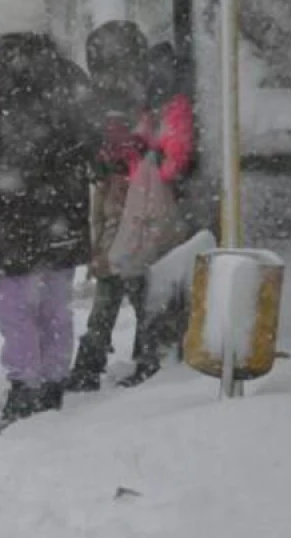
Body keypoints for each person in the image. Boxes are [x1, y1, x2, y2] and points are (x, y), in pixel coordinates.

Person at [0, 0, 97, 425]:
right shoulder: (69, 76)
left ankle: (24, 382)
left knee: (14, 301)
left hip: (12, 213)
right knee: (56, 299)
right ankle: (54, 379)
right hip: (62, 207)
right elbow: (90, 136)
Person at [67, 27, 196, 391]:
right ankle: (141, 353)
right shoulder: (142, 97)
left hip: (132, 197)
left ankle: (110, 358)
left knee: (121, 273)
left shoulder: (133, 101)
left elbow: (156, 149)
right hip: (133, 194)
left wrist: (127, 161)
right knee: (126, 273)